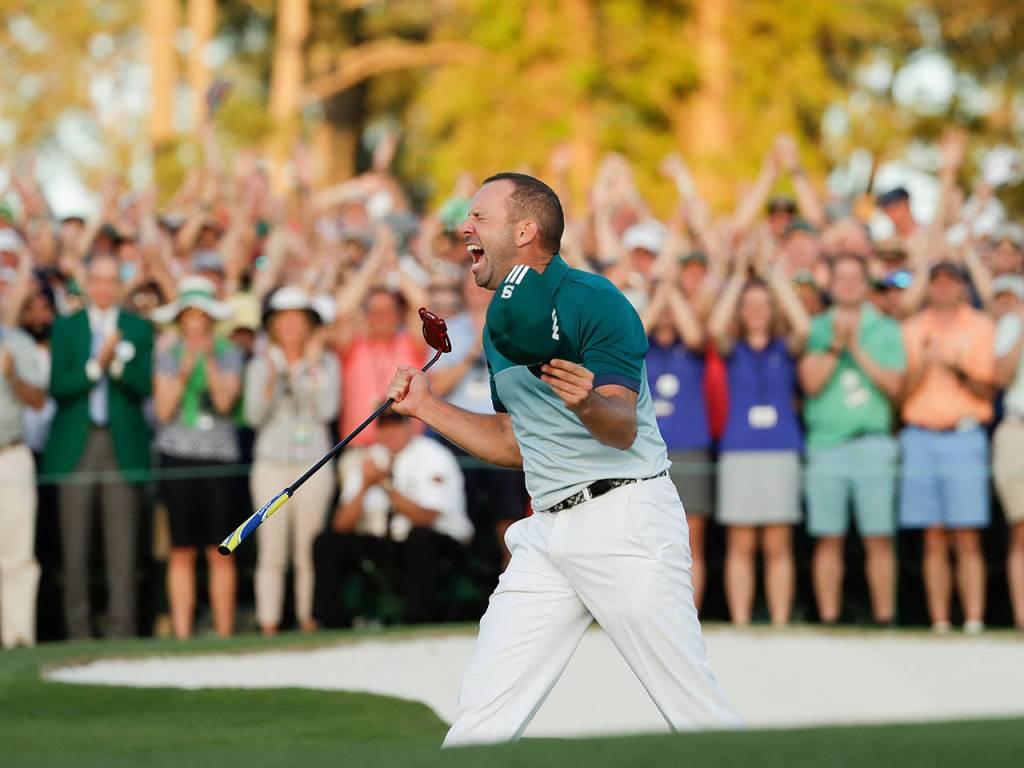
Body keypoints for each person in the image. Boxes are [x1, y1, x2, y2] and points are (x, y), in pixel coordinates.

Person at [385, 173, 741, 745]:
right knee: (482, 712)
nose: (464, 227)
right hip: (547, 532)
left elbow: (621, 428)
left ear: (525, 230)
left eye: (479, 216)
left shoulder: (596, 301)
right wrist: (428, 407)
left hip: (625, 520)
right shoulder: (500, 322)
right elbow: (511, 442)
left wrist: (588, 402)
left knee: (693, 709)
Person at [44, 253, 153, 639]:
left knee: (122, 549)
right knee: (74, 549)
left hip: (121, 447)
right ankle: (78, 633)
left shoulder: (137, 328)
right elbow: (58, 387)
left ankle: (122, 631)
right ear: (88, 284)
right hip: (77, 445)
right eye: (98, 280)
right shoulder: (66, 328)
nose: (105, 288)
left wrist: (116, 365)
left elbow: (144, 387)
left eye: (111, 280)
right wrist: (96, 366)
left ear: (119, 285)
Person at [799, 254, 906, 625]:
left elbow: (895, 386)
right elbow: (810, 383)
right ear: (831, 284)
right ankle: (829, 617)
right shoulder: (816, 327)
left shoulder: (886, 329)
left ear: (865, 283)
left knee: (879, 537)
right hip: (826, 443)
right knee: (828, 537)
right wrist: (836, 346)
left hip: (873, 443)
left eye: (854, 278)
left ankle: (884, 618)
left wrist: (856, 346)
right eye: (840, 277)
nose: (846, 285)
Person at [707, 237, 809, 626]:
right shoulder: (733, 348)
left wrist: (772, 278)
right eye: (749, 306)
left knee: (778, 543)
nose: (756, 311)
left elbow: (802, 323)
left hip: (781, 448)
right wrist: (737, 279)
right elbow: (715, 326)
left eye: (762, 305)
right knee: (741, 542)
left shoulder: (785, 346)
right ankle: (741, 621)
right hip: (740, 450)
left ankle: (780, 620)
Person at [900, 261, 995, 633]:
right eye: (936, 280)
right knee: (933, 534)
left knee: (967, 534)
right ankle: (939, 621)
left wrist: (955, 366)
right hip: (920, 435)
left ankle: (973, 618)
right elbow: (899, 394)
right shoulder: (911, 329)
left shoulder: (981, 327)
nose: (941, 287)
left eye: (950, 281)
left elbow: (988, 389)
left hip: (964, 435)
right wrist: (924, 366)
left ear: (962, 286)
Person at [312, 410, 471, 627]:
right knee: (326, 543)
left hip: (440, 538)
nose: (390, 433)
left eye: (396, 426)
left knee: (420, 539)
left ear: (409, 427)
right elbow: (341, 524)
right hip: (388, 541)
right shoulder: (371, 459)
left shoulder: (433, 455)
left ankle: (417, 619)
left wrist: (386, 485)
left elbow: (426, 517)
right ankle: (330, 622)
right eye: (384, 427)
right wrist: (365, 485)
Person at [244, 286, 339, 635]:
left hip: (313, 462)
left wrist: (310, 370)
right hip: (271, 463)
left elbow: (326, 410)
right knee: (271, 551)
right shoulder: (259, 364)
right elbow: (254, 415)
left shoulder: (325, 362)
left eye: (297, 320)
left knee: (307, 549)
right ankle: (267, 622)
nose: (291, 327)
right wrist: (274, 377)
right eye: (284, 320)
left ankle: (307, 620)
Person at [152, 276, 243, 639]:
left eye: (202, 314)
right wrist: (186, 367)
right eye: (189, 314)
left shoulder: (229, 353)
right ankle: (183, 632)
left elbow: (224, 402)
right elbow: (163, 408)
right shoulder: (166, 356)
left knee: (221, 550)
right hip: (178, 456)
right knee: (181, 549)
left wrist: (208, 362)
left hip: (219, 457)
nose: (196, 321)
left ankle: (223, 632)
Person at [427, 271, 528, 569]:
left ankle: (512, 577)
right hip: (456, 435)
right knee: (455, 515)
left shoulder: (514, 329)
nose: (480, 292)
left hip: (504, 431)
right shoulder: (449, 330)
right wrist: (474, 349)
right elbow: (438, 385)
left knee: (508, 516)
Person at [641, 277, 713, 611]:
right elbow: (636, 331)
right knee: (645, 536)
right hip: (645, 451)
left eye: (674, 305)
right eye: (662, 304)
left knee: (690, 536)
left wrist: (672, 289)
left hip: (689, 447)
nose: (668, 311)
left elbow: (696, 335)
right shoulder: (641, 346)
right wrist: (662, 291)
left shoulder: (693, 347)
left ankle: (690, 612)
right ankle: (652, 610)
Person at [0, 298, 47, 648]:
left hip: (10, 453)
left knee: (17, 552)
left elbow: (37, 400)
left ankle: (17, 638)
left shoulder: (17, 342)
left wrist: (11, 373)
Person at [991, 274, 1024, 630]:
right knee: (1022, 529)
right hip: (1019, 429)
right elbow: (1001, 376)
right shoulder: (1013, 322)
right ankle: (1021, 618)